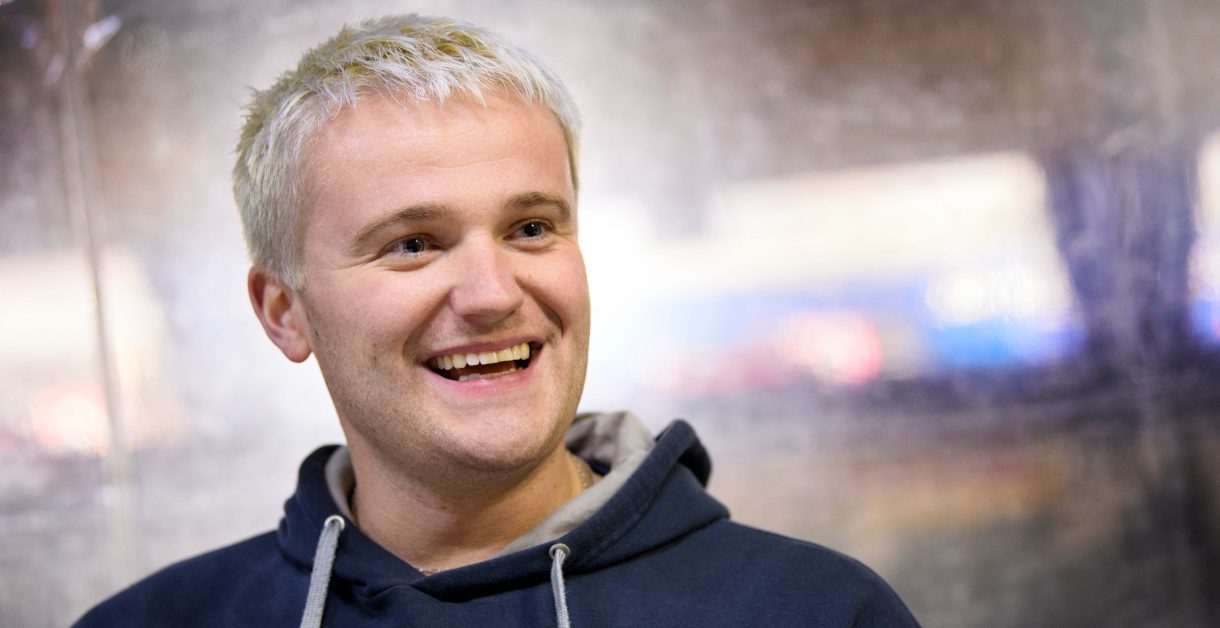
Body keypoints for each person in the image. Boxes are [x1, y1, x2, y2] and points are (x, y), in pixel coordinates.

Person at [76, 14, 919, 627]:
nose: (490, 293)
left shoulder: (815, 611)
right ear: (283, 312)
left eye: (531, 229)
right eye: (412, 244)